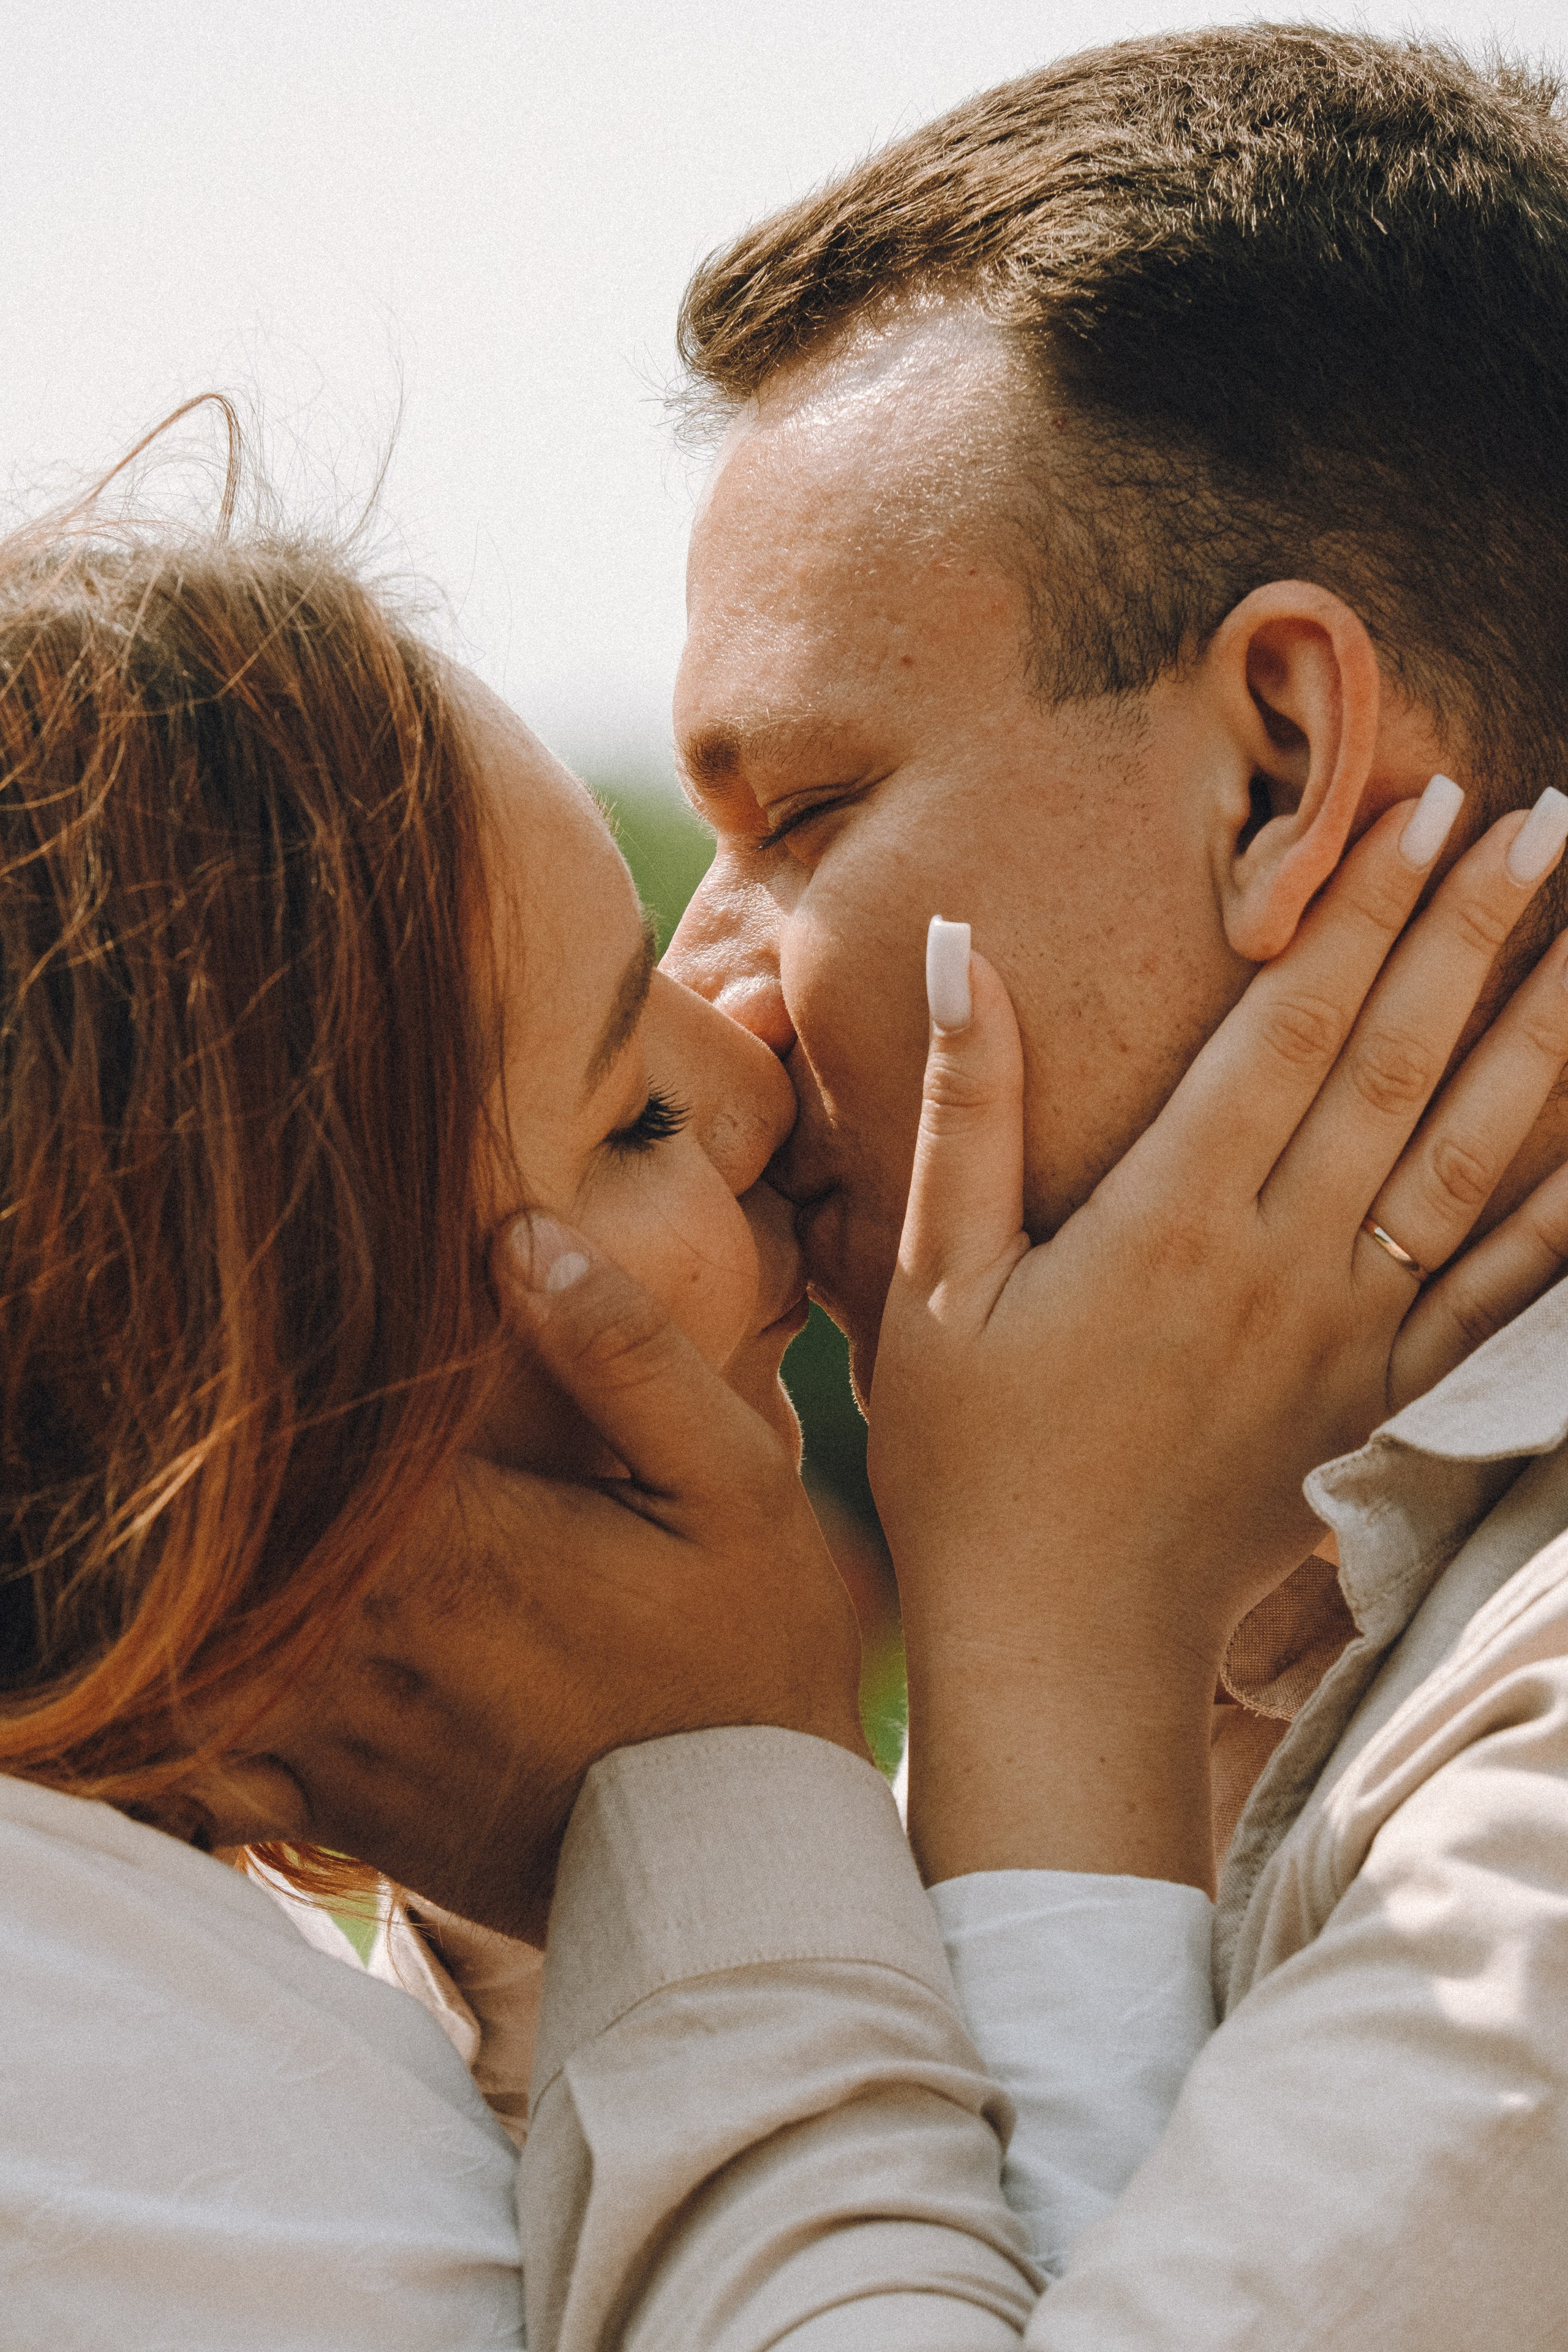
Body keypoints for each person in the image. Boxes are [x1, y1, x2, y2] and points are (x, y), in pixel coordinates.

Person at [1, 459, 1561, 2349]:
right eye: (630, 1118)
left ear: (1283, 761)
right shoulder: (141, 2136)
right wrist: (973, 1676)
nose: (740, 1059)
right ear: (237, 1465)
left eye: (806, 815)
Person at [535, 20, 1568, 2343]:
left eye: (797, 814)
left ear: (1281, 762)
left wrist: (888, 1704)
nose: (716, 1007)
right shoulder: (1293, 1584)